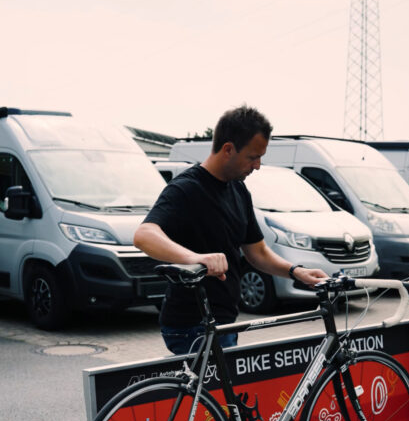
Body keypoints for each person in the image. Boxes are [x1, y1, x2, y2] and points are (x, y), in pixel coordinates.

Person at [134, 105, 328, 354]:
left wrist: (296, 272)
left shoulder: (238, 190)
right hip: (191, 324)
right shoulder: (186, 188)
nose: (257, 165)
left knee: (221, 393)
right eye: (252, 157)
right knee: (212, 393)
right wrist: (196, 258)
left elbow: (257, 251)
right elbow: (144, 235)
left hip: (223, 320)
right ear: (228, 149)